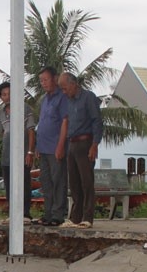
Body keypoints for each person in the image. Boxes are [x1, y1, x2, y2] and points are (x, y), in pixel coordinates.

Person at [59, 71, 104, 229]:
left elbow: (97, 121)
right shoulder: (68, 101)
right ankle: (75, 217)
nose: (64, 92)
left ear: (73, 84)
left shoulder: (88, 97)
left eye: (65, 88)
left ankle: (87, 217)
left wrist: (95, 144)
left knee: (86, 181)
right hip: (72, 142)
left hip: (86, 141)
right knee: (74, 182)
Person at [0, 81, 36, 222]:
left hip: (23, 154)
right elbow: (3, 133)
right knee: (9, 185)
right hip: (7, 156)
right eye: (4, 94)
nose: (8, 97)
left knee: (24, 183)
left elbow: (31, 131)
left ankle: (25, 214)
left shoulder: (25, 108)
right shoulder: (0, 113)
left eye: (10, 93)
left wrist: (30, 152)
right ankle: (13, 213)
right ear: (1, 97)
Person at [34, 66, 68, 226]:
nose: (43, 83)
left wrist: (60, 146)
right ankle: (47, 213)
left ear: (54, 78)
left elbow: (64, 122)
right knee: (46, 182)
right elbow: (41, 123)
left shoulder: (62, 98)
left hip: (56, 148)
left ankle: (58, 214)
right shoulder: (45, 99)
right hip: (43, 147)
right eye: (41, 80)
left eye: (46, 79)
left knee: (58, 181)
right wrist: (36, 147)